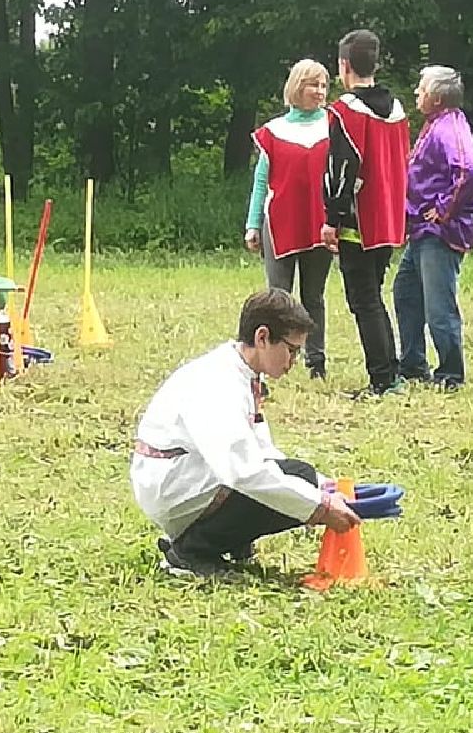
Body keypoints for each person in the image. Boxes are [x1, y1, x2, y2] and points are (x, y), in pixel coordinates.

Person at [132, 288, 361, 577]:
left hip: (188, 475)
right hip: (174, 487)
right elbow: (243, 471)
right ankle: (191, 552)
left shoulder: (242, 373)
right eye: (291, 350)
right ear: (262, 337)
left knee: (298, 475)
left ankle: (224, 539)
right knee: (293, 476)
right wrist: (319, 506)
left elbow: (262, 450)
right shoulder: (219, 383)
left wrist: (324, 487)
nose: (293, 361)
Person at [321, 29, 409, 397]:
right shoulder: (398, 110)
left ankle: (383, 378)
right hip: (389, 217)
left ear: (344, 66)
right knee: (373, 294)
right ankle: (392, 370)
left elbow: (341, 170)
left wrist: (331, 219)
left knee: (364, 300)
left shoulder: (344, 113)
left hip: (359, 221)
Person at [392, 65, 473, 389]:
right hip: (421, 230)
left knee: (438, 305)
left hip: (439, 234)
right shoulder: (437, 125)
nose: (417, 93)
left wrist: (443, 211)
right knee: (405, 292)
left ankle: (450, 374)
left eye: (421, 88)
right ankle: (414, 364)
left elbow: (469, 173)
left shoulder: (451, 128)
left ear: (438, 96)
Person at [244, 59, 333, 379]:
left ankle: (316, 361)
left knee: (314, 295)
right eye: (313, 85)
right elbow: (261, 180)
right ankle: (272, 360)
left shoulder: (334, 127)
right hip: (280, 222)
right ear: (297, 87)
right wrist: (253, 224)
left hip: (319, 223)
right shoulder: (274, 131)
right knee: (278, 296)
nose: (320, 92)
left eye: (324, 85)